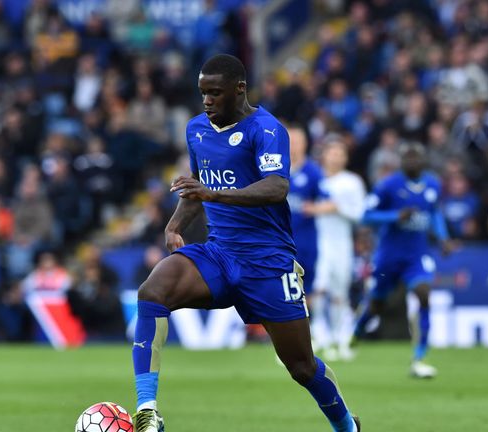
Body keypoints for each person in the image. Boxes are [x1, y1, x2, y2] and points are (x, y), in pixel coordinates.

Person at [131, 54, 360, 432]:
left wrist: (214, 195)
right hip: (220, 254)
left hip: (268, 262)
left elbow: (276, 188)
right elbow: (198, 186)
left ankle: (347, 426)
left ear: (239, 89)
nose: (207, 101)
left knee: (302, 367)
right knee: (153, 290)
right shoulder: (196, 129)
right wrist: (174, 225)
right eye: (203, 93)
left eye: (215, 93)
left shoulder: (266, 129)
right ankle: (147, 411)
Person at [353, 143, 452, 379]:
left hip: (417, 255)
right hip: (389, 256)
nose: (412, 161)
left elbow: (434, 212)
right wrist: (395, 216)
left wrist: (443, 237)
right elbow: (366, 216)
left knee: (424, 294)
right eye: (408, 157)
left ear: (424, 160)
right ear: (401, 161)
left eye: (416, 157)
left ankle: (420, 356)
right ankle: (356, 333)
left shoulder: (433, 184)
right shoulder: (388, 185)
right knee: (377, 305)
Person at [303, 140, 366, 361]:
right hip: (318, 242)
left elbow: (360, 213)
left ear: (345, 158)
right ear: (324, 156)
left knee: (340, 292)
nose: (336, 157)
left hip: (341, 244)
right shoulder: (314, 178)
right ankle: (321, 335)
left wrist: (336, 207)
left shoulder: (352, 182)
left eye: (340, 153)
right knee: (318, 289)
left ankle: (340, 336)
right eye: (332, 153)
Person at [285, 126, 325, 329]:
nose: (293, 146)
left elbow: (330, 201)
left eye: (297, 141)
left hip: (307, 241)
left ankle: (310, 330)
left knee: (307, 289)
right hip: (282, 242)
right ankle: (290, 332)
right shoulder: (274, 169)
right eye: (290, 141)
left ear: (305, 144)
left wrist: (315, 208)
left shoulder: (313, 172)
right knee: (287, 289)